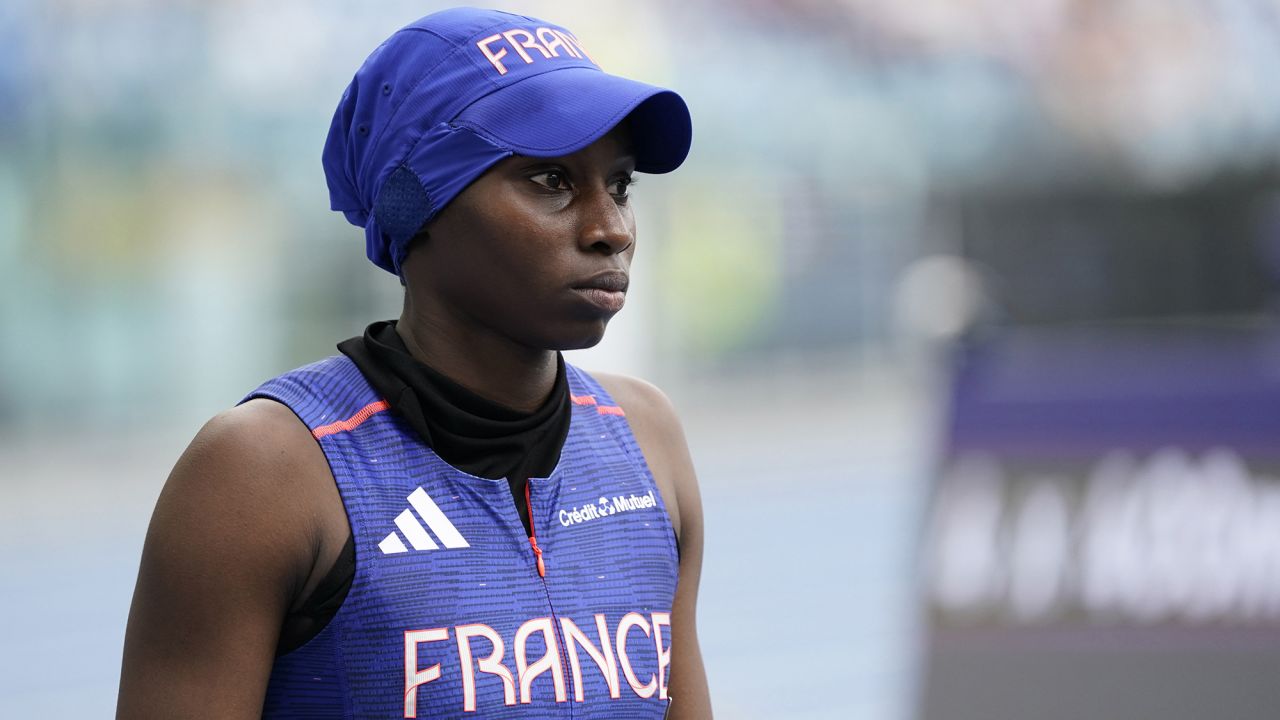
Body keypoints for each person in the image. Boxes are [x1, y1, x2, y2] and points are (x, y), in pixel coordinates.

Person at [117, 7, 710, 719]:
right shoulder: (265, 474)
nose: (610, 228)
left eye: (619, 185)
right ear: (417, 202)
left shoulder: (646, 441)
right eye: (551, 181)